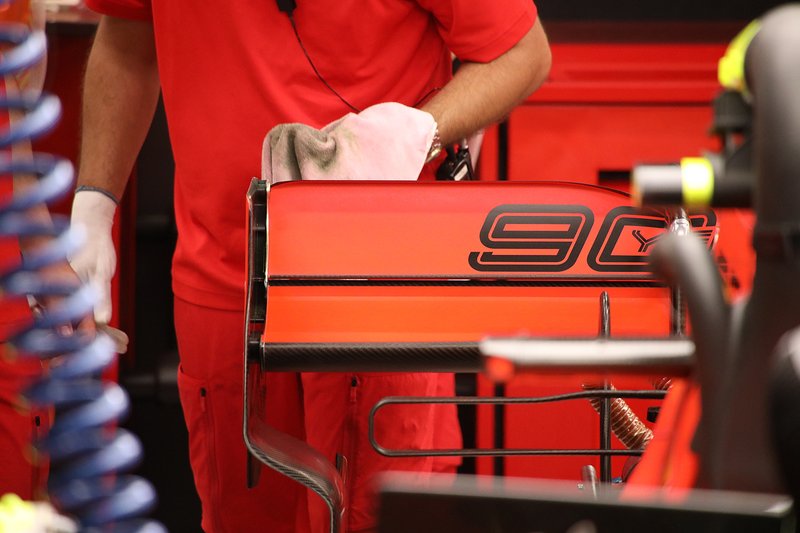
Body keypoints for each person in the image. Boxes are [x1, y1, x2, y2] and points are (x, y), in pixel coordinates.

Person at [69, 1, 551, 532]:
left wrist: (421, 129)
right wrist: (95, 203)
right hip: (223, 282)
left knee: (379, 518)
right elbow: (128, 39)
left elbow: (521, 52)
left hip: (380, 290)